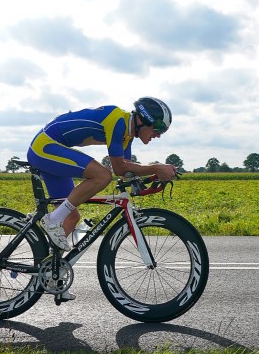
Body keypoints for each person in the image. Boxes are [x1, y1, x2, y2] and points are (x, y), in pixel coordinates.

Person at [26, 97, 177, 255]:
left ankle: (49, 269)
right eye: (159, 128)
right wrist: (156, 168)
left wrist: (154, 176)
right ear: (144, 119)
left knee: (71, 218)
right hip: (44, 146)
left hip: (54, 150)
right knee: (103, 175)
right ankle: (52, 220)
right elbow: (118, 168)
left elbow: (127, 171)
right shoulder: (118, 120)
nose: (159, 135)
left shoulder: (128, 134)